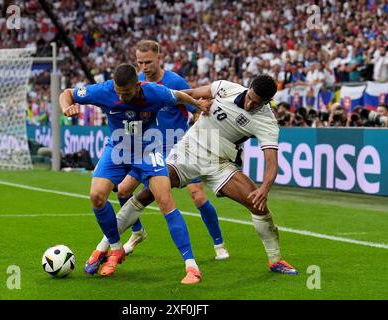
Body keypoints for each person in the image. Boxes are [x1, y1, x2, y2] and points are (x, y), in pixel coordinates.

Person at [104, 74, 298, 275]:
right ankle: (103, 247)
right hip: (188, 153)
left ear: (267, 102)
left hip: (219, 163)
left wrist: (264, 189)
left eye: (256, 103)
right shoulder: (225, 88)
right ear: (248, 88)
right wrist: (194, 103)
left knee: (258, 204)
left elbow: (271, 161)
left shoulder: (267, 122)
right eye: (250, 97)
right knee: (146, 194)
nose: (249, 104)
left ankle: (275, 260)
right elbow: (188, 94)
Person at [59, 63, 211, 284]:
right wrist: (66, 107)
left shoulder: (154, 91)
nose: (123, 97)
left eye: (127, 93)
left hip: (149, 150)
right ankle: (116, 247)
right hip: (117, 149)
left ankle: (191, 266)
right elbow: (68, 94)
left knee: (165, 200)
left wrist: (197, 104)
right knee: (97, 196)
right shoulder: (104, 90)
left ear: (137, 86)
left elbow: (178, 96)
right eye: (119, 93)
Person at [91, 40, 229, 261]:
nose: (144, 67)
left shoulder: (174, 81)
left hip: (178, 149)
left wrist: (196, 127)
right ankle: (137, 232)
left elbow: (195, 108)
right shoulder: (137, 85)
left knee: (198, 196)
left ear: (158, 58)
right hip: (148, 150)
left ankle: (218, 243)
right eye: (140, 63)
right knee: (123, 190)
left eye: (148, 62)